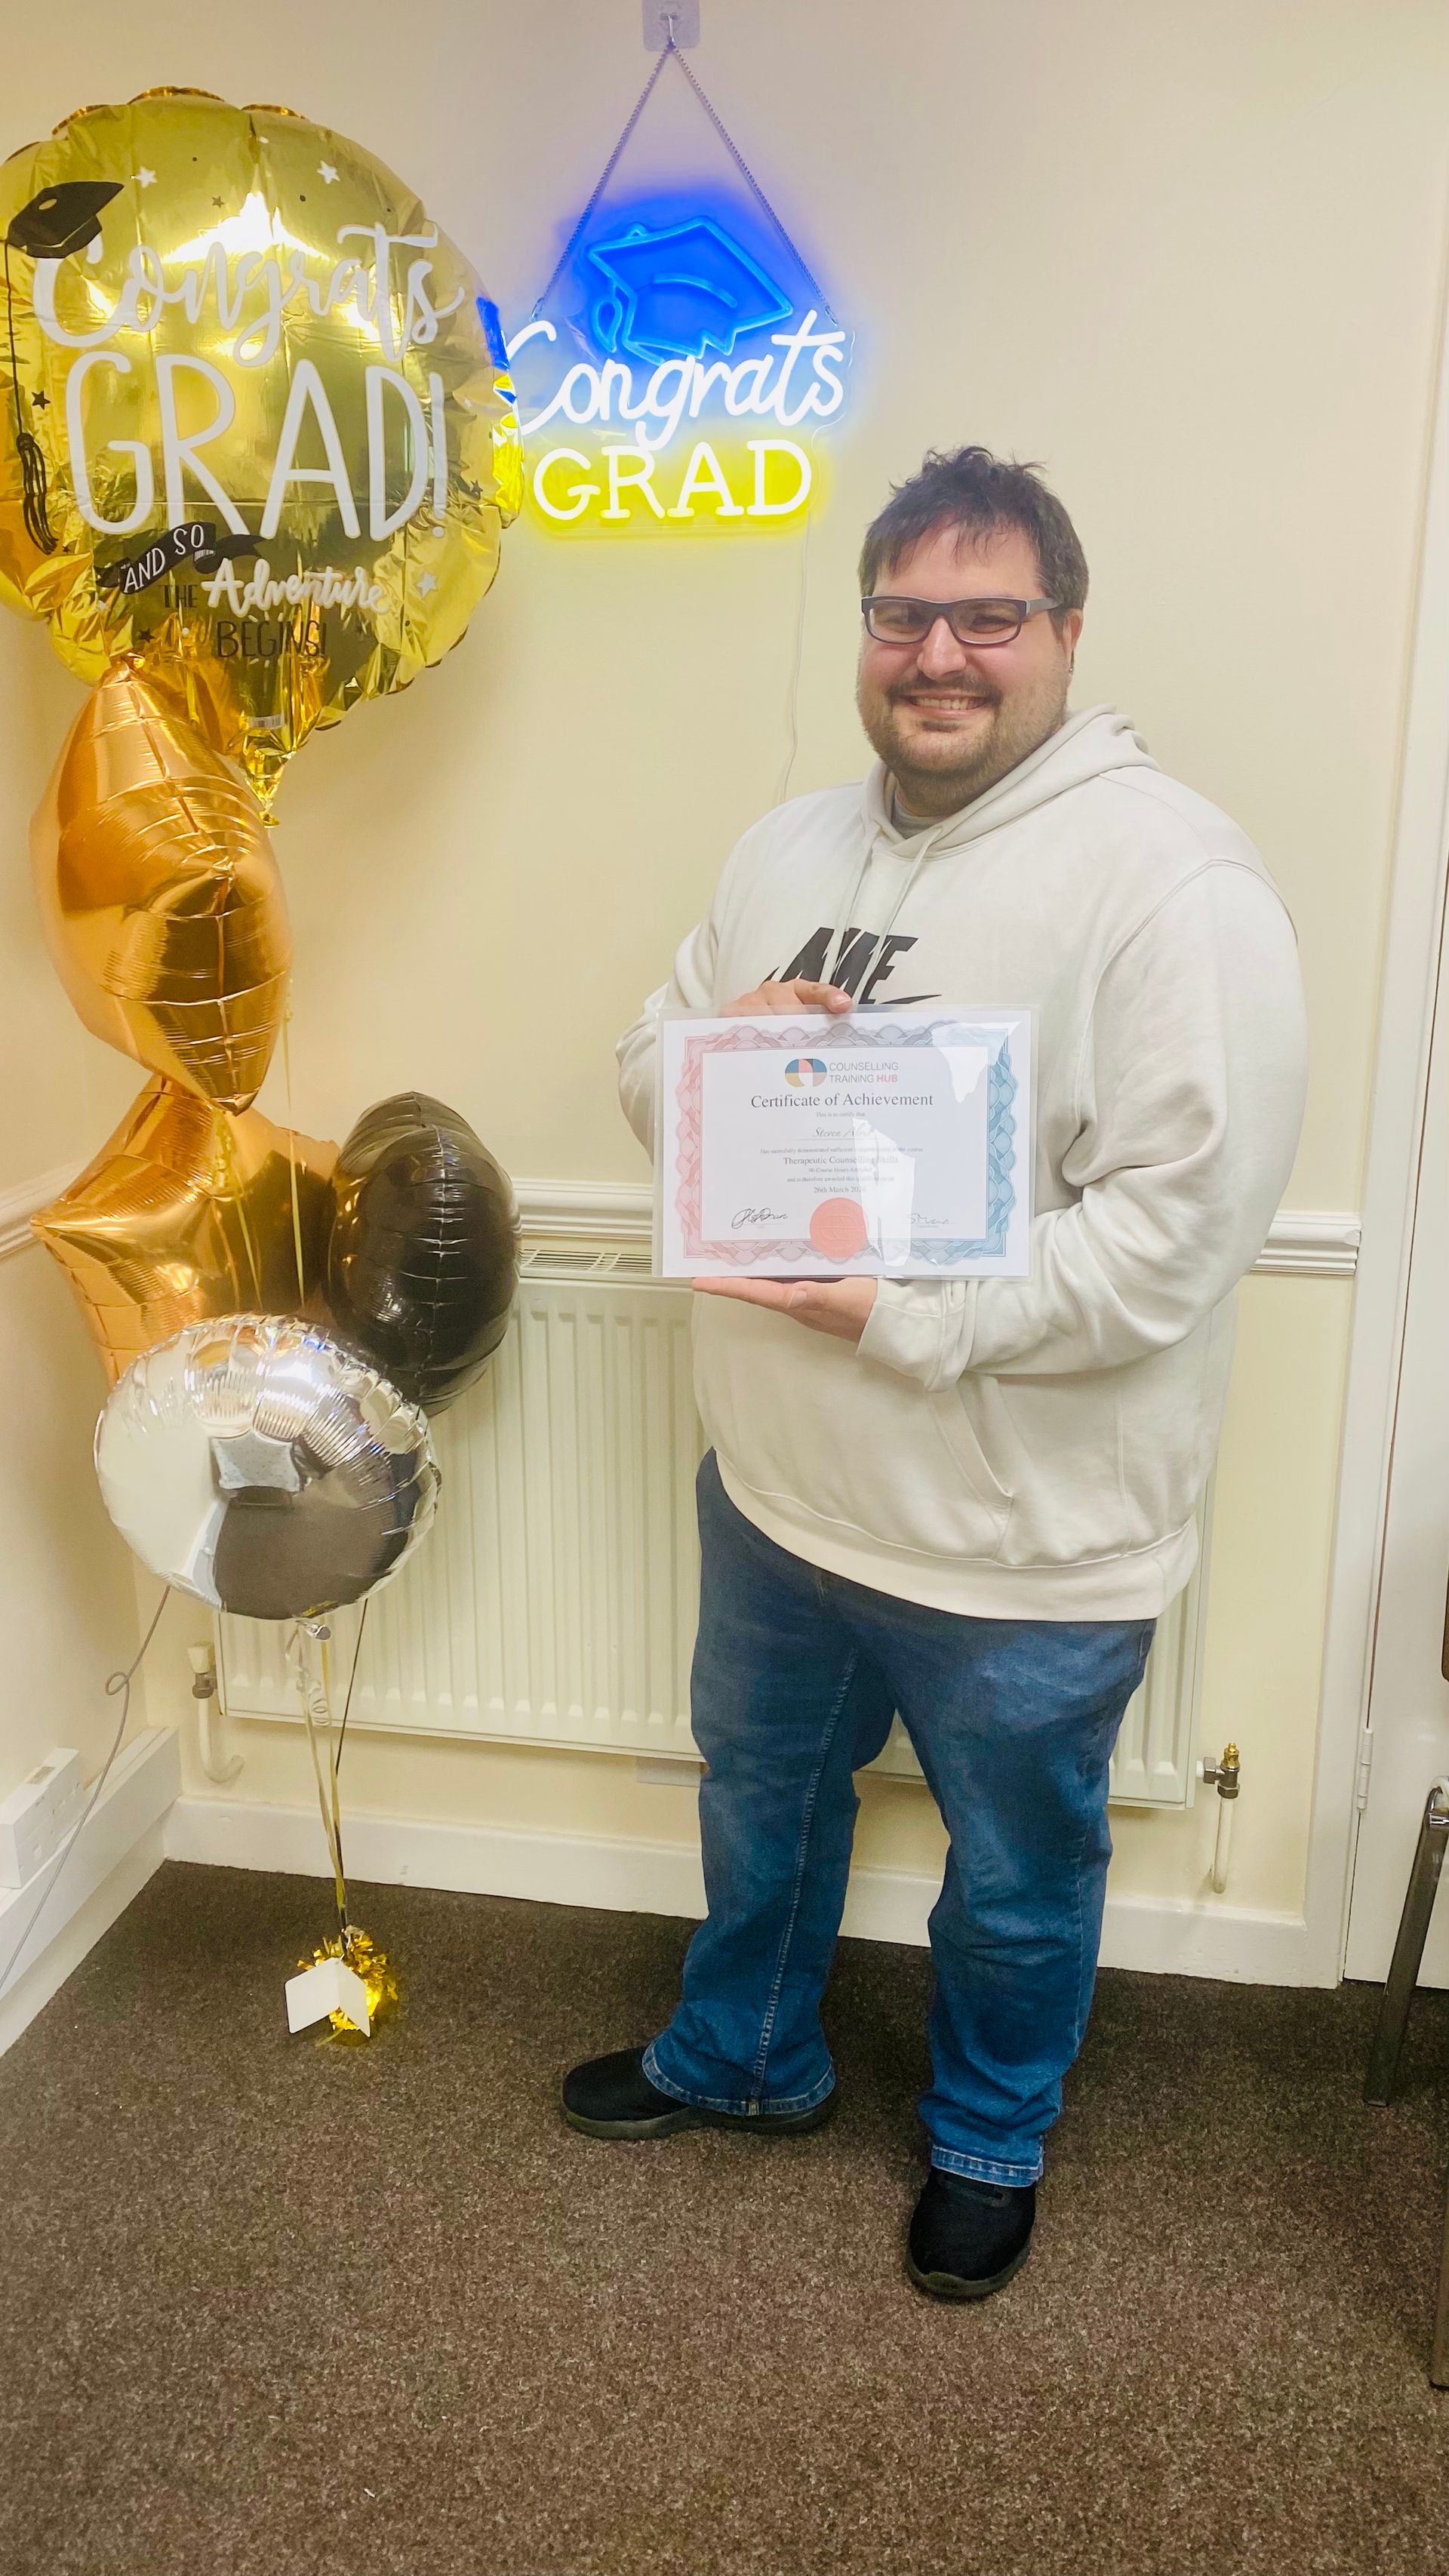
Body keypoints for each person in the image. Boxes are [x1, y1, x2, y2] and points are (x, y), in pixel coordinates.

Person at [562, 445, 1308, 2302]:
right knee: (760, 1802)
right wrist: (714, 1058)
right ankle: (743, 2056)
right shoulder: (785, 848)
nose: (940, 655)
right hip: (777, 1499)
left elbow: (1171, 1246)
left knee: (1019, 1873)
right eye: (904, 615)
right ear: (867, 631)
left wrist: (902, 1315)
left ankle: (987, 2136)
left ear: (1066, 632)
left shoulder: (1177, 884)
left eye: (989, 617)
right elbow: (656, 1059)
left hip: (1021, 1550)